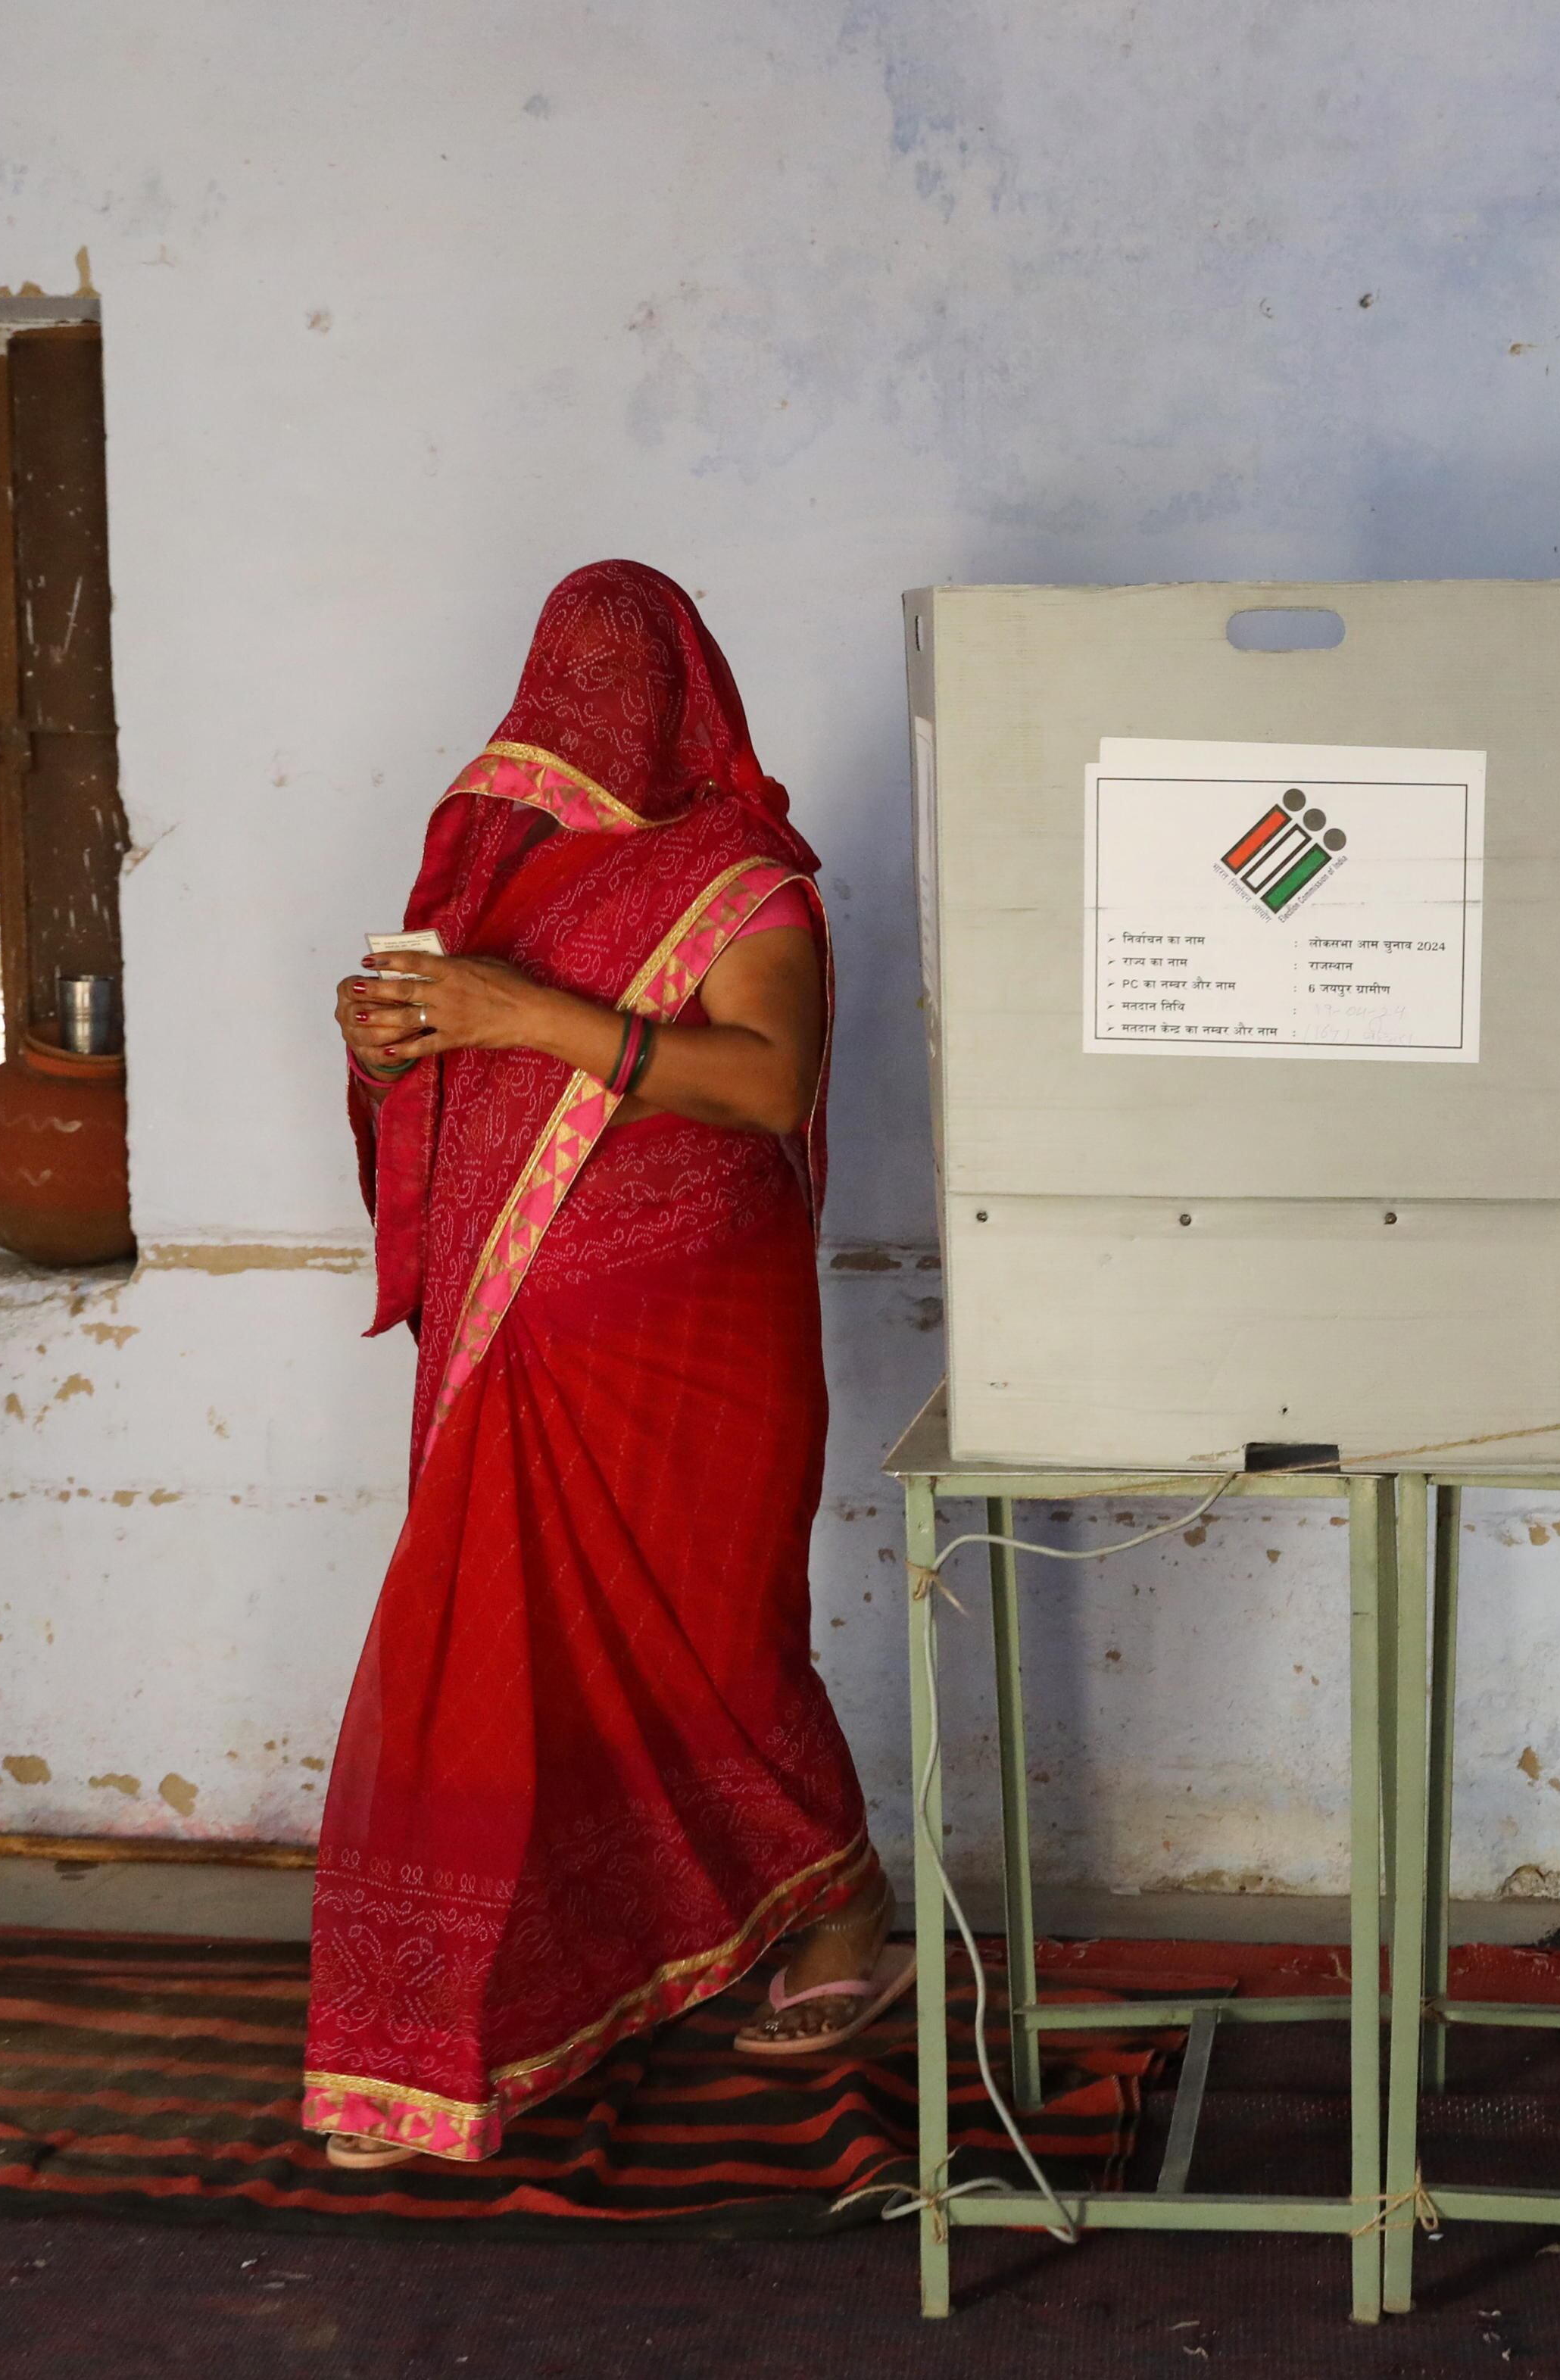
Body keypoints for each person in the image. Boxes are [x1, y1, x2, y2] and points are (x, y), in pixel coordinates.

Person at [307, 560, 908, 2171]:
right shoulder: (501, 873)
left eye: (609, 678)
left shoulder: (742, 876)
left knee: (716, 1652)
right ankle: (450, 2033)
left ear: (671, 697)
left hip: (694, 1345)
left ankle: (844, 1913)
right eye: (556, 672)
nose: (573, 715)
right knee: (487, 1662)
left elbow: (768, 1084)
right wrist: (393, 1048)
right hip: (515, 1351)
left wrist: (520, 1011)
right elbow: (456, 1081)